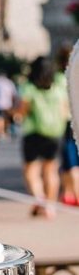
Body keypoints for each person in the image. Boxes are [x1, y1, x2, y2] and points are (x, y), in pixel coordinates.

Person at [17, 56, 69, 219]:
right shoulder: (58, 86)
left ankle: (39, 198)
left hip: (33, 132)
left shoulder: (29, 88)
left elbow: (23, 111)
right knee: (51, 169)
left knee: (30, 169)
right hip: (54, 132)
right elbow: (64, 110)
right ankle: (50, 207)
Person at [56, 46, 79, 206]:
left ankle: (74, 194)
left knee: (70, 161)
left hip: (67, 123)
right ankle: (70, 193)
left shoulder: (60, 78)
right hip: (71, 121)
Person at [0, 71, 18, 138]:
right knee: (6, 119)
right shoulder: (9, 82)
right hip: (7, 104)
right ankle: (4, 132)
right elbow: (13, 95)